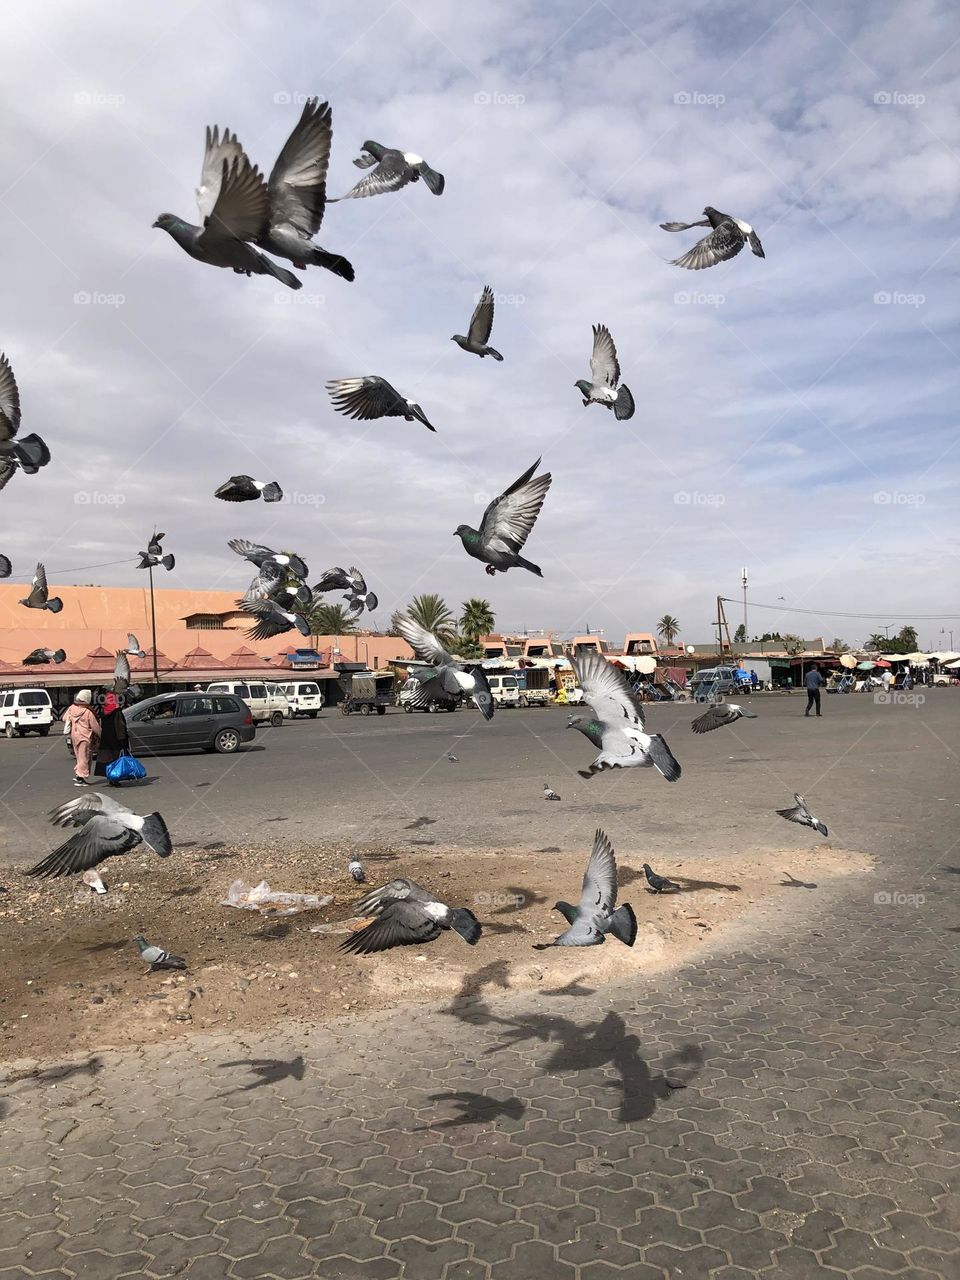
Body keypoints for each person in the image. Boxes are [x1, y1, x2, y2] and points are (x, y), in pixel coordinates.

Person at [63, 689, 101, 787]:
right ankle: (80, 778)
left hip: (74, 736)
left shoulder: (72, 708)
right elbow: (95, 726)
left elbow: (63, 718)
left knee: (80, 757)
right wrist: (102, 735)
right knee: (85, 757)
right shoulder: (87, 712)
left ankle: (79, 775)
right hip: (85, 737)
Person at [94, 691, 130, 786]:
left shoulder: (104, 711)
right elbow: (120, 727)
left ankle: (110, 778)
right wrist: (123, 742)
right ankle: (115, 779)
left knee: (108, 759)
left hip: (106, 739)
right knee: (116, 759)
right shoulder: (117, 712)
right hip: (116, 739)